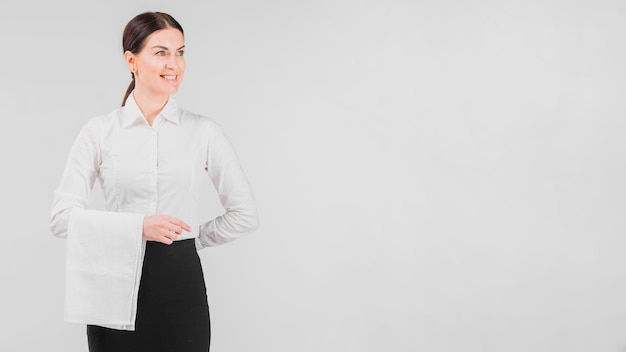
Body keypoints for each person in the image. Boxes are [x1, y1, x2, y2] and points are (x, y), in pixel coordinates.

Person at [49, 11, 259, 352]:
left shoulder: (203, 131)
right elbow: (60, 219)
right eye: (160, 52)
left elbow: (245, 213)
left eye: (180, 52)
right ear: (131, 60)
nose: (173, 63)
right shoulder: (100, 132)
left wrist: (188, 237)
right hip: (113, 291)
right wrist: (139, 228)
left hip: (180, 287)